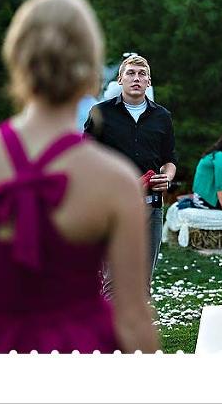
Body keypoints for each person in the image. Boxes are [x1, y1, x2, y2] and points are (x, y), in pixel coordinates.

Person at [0, 0, 160, 353]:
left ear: (17, 62)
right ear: (91, 73)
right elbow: (132, 317)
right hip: (83, 347)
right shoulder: (113, 179)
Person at [84, 53, 177, 298]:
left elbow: (169, 160)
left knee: (142, 284)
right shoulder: (100, 113)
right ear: (120, 80)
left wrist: (166, 177)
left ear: (148, 82)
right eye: (131, 73)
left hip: (151, 208)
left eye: (142, 74)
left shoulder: (162, 117)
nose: (136, 78)